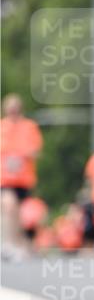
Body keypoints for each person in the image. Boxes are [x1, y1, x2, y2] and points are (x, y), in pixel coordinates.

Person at [1, 95, 43, 258]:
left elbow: (36, 150)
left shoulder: (29, 127)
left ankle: (18, 243)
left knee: (18, 212)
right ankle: (7, 243)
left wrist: (22, 153)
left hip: (23, 178)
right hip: (4, 178)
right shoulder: (2, 127)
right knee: (8, 205)